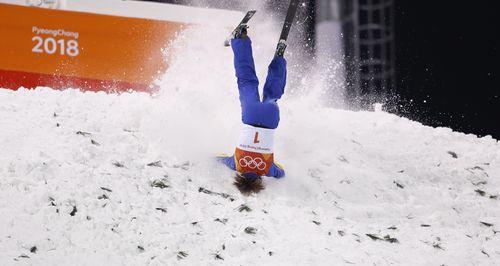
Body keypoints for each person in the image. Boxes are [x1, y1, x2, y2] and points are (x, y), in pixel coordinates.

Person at [217, 25, 287, 194]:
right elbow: (220, 159)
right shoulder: (237, 164)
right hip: (251, 114)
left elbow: (281, 172)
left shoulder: (267, 169)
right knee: (247, 80)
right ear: (239, 178)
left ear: (259, 180)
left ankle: (279, 59)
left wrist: (267, 167)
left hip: (270, 119)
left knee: (273, 93)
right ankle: (240, 39)